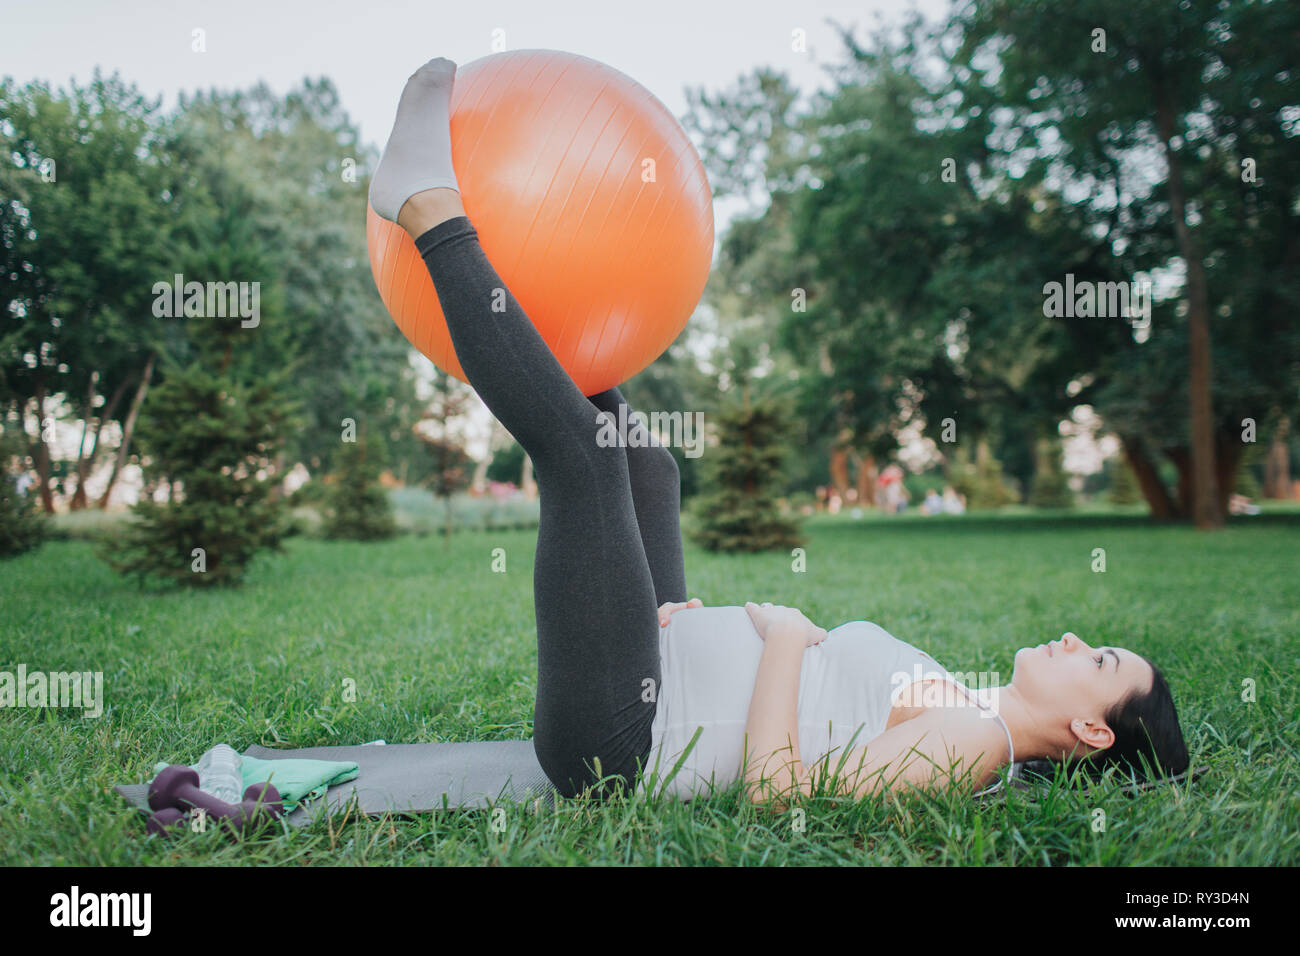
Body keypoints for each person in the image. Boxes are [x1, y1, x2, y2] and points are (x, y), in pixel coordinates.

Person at [369, 57, 1189, 805]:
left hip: (619, 748)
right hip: (660, 681)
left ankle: (428, 206)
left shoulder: (978, 743)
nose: (1080, 640)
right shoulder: (970, 709)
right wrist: (693, 635)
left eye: (1101, 662)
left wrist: (788, 639)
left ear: (1092, 732)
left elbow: (777, 791)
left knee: (586, 456)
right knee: (646, 467)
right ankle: (535, 287)